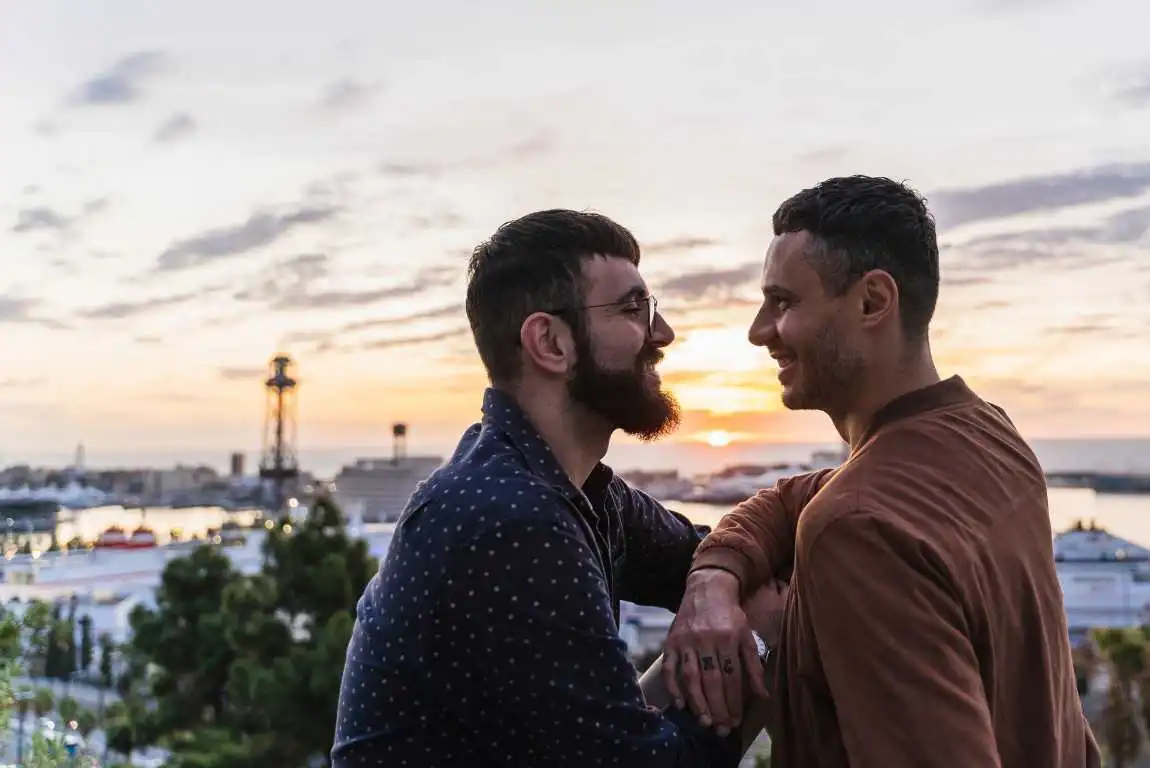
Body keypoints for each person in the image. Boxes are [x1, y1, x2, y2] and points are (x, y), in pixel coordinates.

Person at [661, 176, 1101, 767]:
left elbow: (842, 508)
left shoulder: (859, 524)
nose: (759, 331)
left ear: (872, 302)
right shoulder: (987, 436)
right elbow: (797, 497)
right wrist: (714, 574)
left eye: (784, 302)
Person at [331, 209, 769, 767]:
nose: (662, 333)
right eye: (633, 309)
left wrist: (719, 580)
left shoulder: (579, 492)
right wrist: (759, 642)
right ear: (551, 342)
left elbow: (703, 552)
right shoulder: (505, 517)